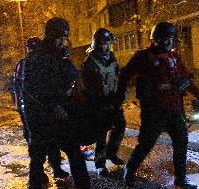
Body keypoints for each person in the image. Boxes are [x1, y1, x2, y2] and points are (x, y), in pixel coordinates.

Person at [116, 22, 199, 189]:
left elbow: (185, 78)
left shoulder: (174, 58)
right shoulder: (143, 57)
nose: (166, 43)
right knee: (146, 144)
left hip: (175, 109)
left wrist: (198, 95)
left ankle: (180, 179)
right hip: (154, 111)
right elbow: (125, 75)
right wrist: (121, 93)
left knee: (181, 142)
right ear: (154, 40)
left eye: (169, 39)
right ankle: (130, 168)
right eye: (162, 39)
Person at [23, 18, 90, 189]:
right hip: (41, 116)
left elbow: (72, 75)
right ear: (50, 35)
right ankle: (35, 184)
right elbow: (32, 87)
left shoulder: (63, 53)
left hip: (62, 113)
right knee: (38, 157)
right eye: (58, 38)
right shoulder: (36, 57)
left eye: (64, 38)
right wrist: (52, 104)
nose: (62, 42)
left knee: (75, 153)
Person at [12, 37, 69, 182]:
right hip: (31, 110)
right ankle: (38, 174)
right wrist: (21, 107)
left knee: (50, 139)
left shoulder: (39, 62)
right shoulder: (24, 64)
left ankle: (54, 168)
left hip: (42, 108)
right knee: (37, 142)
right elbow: (18, 88)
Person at [81, 28, 126, 176]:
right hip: (98, 104)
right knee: (100, 134)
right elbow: (88, 87)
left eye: (107, 44)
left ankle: (111, 153)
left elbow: (117, 77)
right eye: (102, 43)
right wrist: (99, 101)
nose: (105, 46)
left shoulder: (112, 58)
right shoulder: (89, 62)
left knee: (120, 126)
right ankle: (99, 163)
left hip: (114, 102)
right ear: (96, 44)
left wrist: (121, 93)